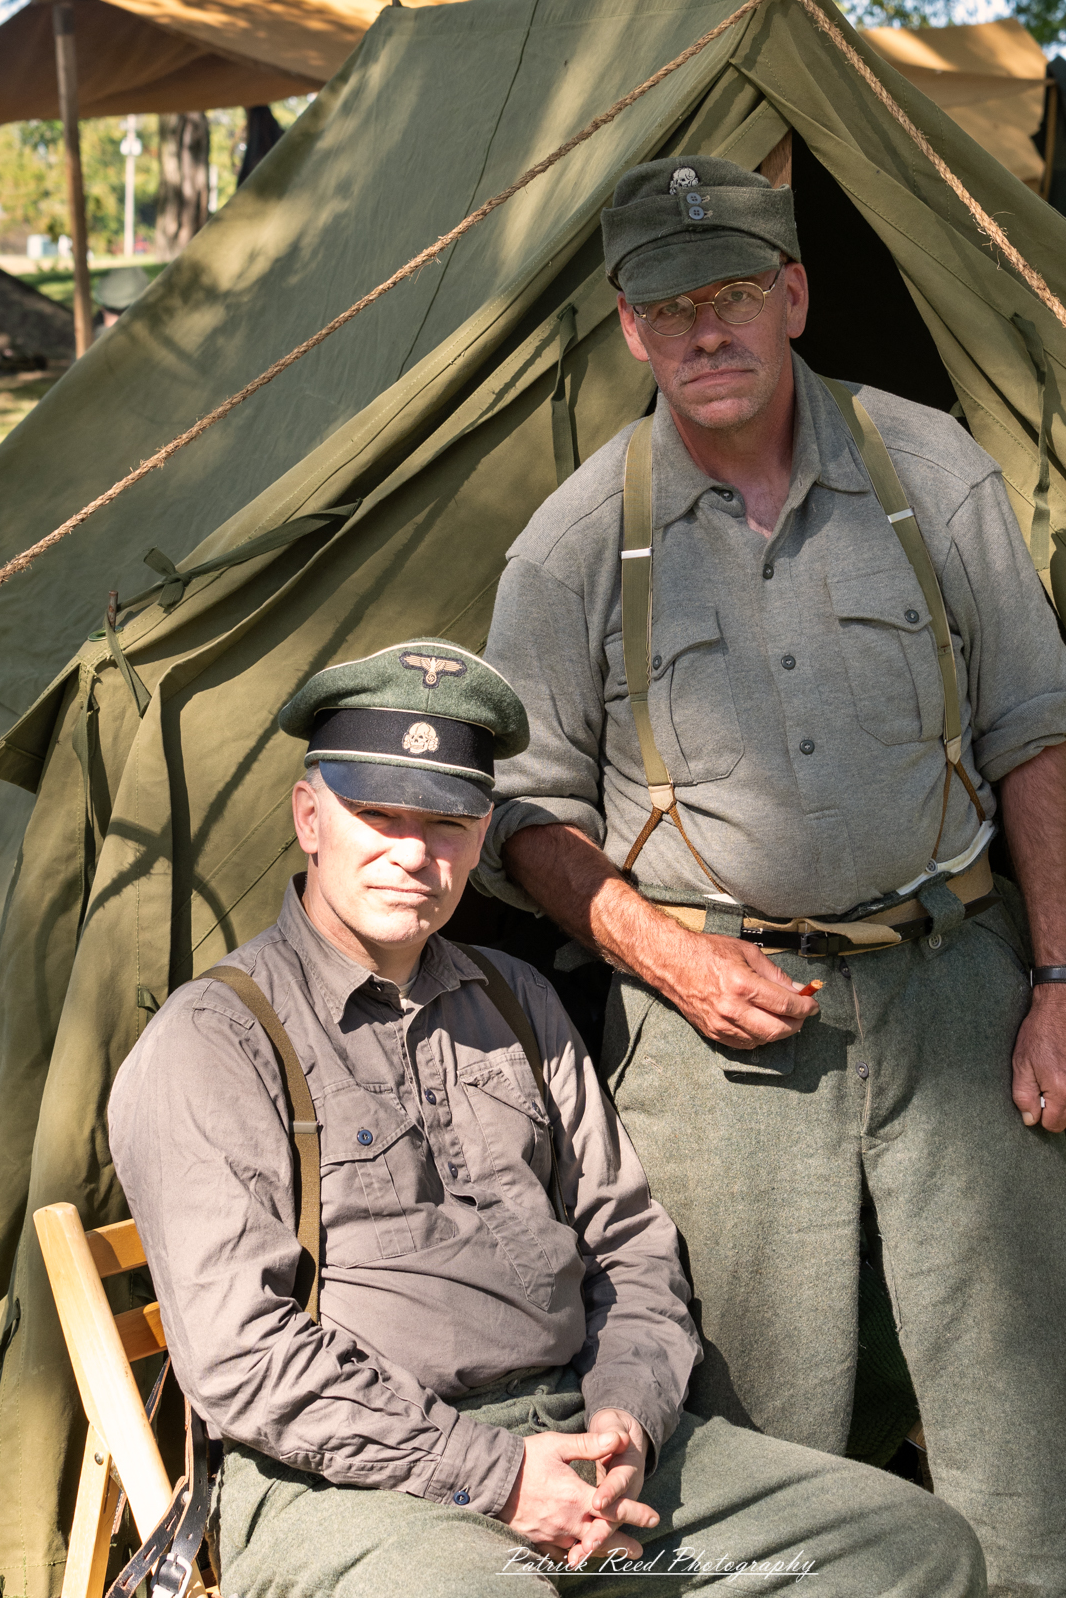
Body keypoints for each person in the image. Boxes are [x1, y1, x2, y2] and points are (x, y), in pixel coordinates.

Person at [475, 156, 1066, 1598]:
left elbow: (1036, 731)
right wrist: (670, 960)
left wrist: (1064, 983)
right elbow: (528, 817)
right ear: (628, 330)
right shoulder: (576, 538)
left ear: (792, 294)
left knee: (1038, 1425)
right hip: (724, 1033)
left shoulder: (930, 470)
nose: (705, 333)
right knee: (738, 1420)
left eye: (733, 295)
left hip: (954, 989)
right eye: (670, 309)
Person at [109, 638, 987, 1598]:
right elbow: (243, 1357)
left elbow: (630, 1246)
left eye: (447, 822)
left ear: (483, 835)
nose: (413, 853)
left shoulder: (516, 998)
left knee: (908, 1545)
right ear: (309, 817)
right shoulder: (214, 1042)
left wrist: (627, 1419)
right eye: (377, 815)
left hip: (575, 1443)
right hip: (353, 1487)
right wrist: (494, 1478)